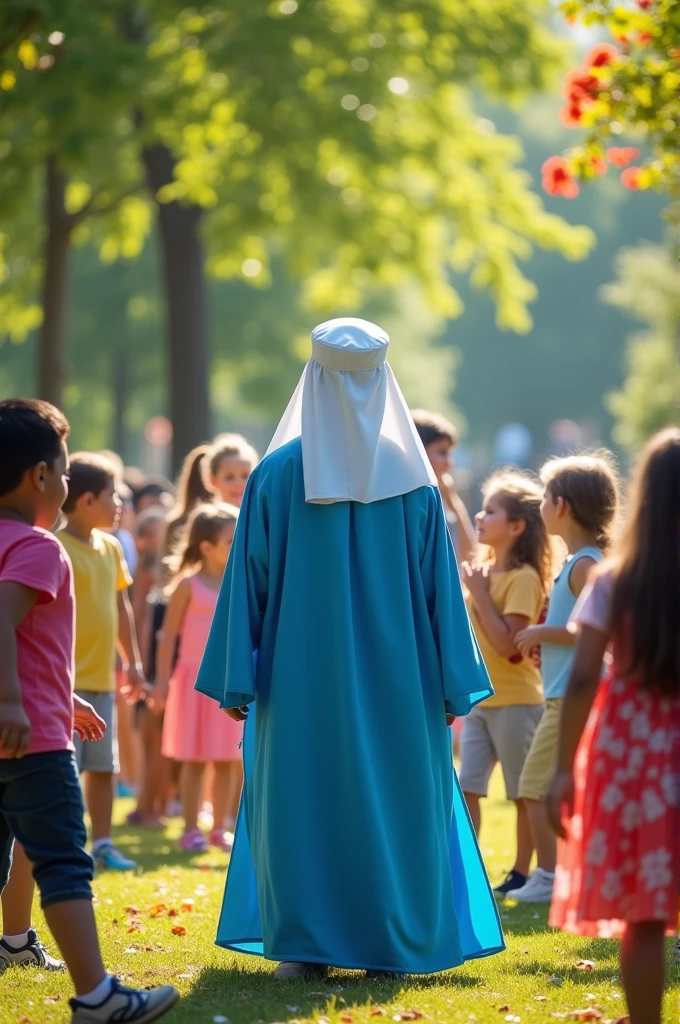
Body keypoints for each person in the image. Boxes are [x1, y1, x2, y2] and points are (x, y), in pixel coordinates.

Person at [195, 317, 504, 979]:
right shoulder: (414, 485)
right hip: (403, 680)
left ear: (314, 375)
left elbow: (245, 579)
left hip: (299, 676)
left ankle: (305, 948)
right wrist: (453, 682)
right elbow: (440, 594)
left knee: (305, 798)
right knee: (393, 802)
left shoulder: (277, 475)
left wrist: (235, 676)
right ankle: (390, 940)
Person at [0, 398, 178, 1021]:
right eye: (66, 470)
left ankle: (18, 945)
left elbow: (20, 642)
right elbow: (4, 621)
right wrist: (13, 702)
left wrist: (58, 693)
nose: (70, 482)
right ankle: (98, 997)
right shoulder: (38, 547)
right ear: (40, 478)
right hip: (32, 742)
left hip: (33, 716)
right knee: (63, 862)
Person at [546, 427, 680, 1024]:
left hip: (633, 755)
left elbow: (580, 679)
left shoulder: (613, 581)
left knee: (644, 915)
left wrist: (560, 771)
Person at [509, 454, 619, 904]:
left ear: (563, 506)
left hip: (573, 695)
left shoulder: (585, 565)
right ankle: (565, 873)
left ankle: (551, 877)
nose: (539, 507)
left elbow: (605, 621)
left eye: (543, 498)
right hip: (559, 693)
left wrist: (543, 631)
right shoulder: (574, 561)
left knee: (534, 783)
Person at [459, 470, 552, 896]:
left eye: (490, 510)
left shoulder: (524, 579)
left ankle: (521, 872)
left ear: (516, 526)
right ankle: (466, 870)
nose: (480, 516)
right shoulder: (483, 572)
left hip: (517, 703)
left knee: (521, 793)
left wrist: (478, 594)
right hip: (480, 702)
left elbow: (508, 647)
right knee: (467, 788)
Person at [58, 454, 146, 872]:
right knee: (65, 770)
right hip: (65, 685)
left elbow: (121, 605)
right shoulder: (57, 549)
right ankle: (66, 844)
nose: (120, 504)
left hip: (103, 681)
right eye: (114, 496)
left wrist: (132, 662)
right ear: (88, 500)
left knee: (103, 767)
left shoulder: (111, 547)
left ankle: (105, 843)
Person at [153, 504, 242, 852]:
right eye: (229, 541)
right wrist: (162, 681)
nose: (237, 546)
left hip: (225, 683)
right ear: (206, 546)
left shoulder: (239, 583)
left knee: (225, 759)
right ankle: (191, 828)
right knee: (193, 758)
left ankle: (219, 828)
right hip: (192, 683)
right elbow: (168, 635)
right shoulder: (187, 586)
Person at [412, 409, 477, 565]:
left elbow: (470, 556)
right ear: (418, 450)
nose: (449, 464)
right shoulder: (408, 499)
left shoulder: (442, 493)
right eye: (442, 453)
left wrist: (451, 500)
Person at [204, 433, 258, 507]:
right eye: (229, 477)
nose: (239, 484)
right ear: (213, 481)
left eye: (245, 476)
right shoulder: (209, 517)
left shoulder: (264, 515)